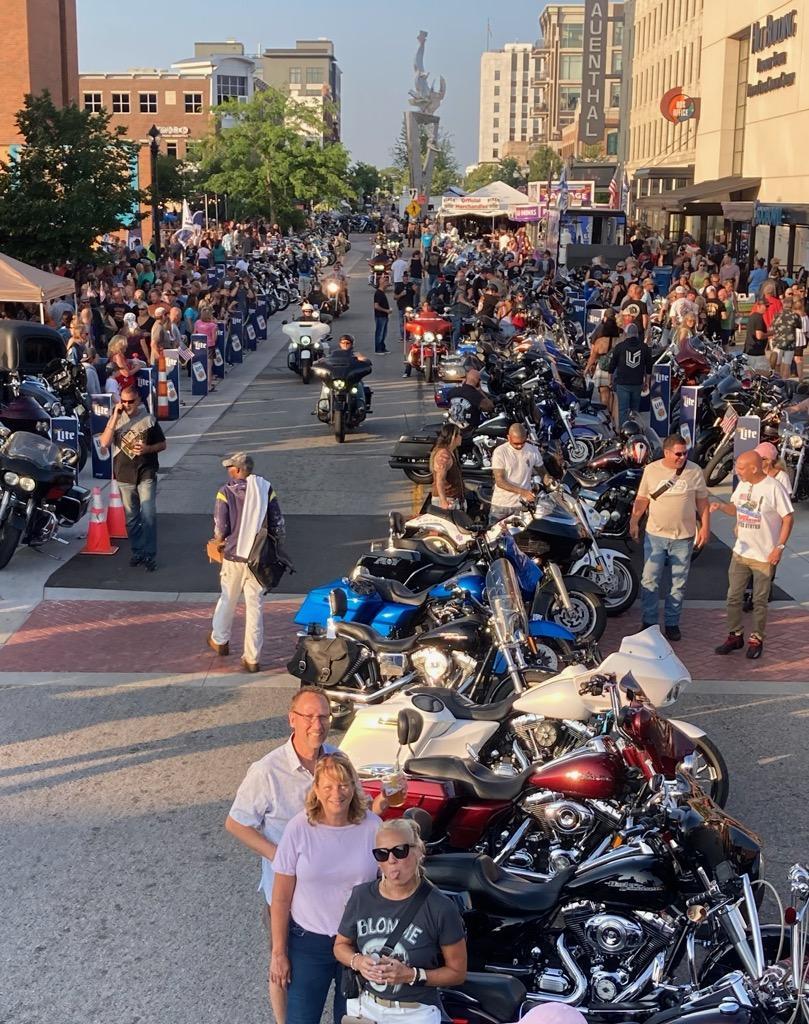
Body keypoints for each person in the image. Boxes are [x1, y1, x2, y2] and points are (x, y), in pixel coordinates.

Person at [226, 687, 336, 1024]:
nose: (316, 724)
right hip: (286, 894)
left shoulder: (336, 760)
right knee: (282, 964)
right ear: (292, 720)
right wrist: (281, 856)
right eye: (308, 716)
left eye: (323, 716)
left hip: (330, 891)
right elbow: (236, 823)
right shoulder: (267, 771)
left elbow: (356, 810)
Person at [270, 752, 381, 1024]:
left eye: (344, 785)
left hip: (357, 944)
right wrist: (279, 953)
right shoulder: (299, 828)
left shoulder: (373, 827)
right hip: (308, 942)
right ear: (316, 790)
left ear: (354, 788)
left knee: (352, 1020)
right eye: (328, 786)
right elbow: (281, 898)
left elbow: (388, 885)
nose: (337, 793)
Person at [335, 816, 467, 1024]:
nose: (391, 860)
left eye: (400, 851)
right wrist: (359, 962)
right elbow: (340, 945)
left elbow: (457, 972)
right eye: (382, 853)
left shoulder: (440, 907)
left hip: (413, 1013)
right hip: (365, 1008)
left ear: (418, 852)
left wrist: (411, 975)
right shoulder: (361, 896)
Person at [712, 450, 793, 660]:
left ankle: (756, 639)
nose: (736, 471)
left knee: (759, 601)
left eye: (740, 468)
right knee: (733, 597)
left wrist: (779, 547)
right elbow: (737, 509)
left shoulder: (774, 488)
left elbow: (788, 518)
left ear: (754, 468)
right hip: (741, 552)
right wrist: (721, 506)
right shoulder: (743, 484)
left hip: (764, 556)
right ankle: (735, 635)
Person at [208, 451, 285, 673]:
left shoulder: (225, 492)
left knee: (228, 599)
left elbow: (221, 527)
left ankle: (220, 640)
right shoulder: (265, 489)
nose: (228, 471)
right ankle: (252, 658)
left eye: (230, 468)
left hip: (234, 557)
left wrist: (218, 541)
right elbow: (277, 523)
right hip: (259, 558)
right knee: (255, 607)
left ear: (239, 470)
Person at [629, 434, 710, 641]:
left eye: (685, 453)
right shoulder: (652, 470)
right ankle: (649, 623)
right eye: (678, 454)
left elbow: (702, 502)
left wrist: (705, 528)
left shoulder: (694, 471)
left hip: (683, 538)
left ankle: (672, 624)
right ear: (666, 452)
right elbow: (642, 498)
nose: (682, 457)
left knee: (678, 583)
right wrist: (634, 521)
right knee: (650, 580)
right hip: (656, 535)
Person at [98, 385, 166, 572]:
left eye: (130, 402)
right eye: (124, 401)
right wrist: (115, 416)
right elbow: (104, 443)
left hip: (146, 472)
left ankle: (150, 554)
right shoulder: (117, 419)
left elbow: (162, 444)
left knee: (148, 513)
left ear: (138, 401)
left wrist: (148, 449)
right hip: (124, 475)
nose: (127, 405)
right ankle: (137, 551)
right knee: (132, 518)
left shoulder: (148, 420)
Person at [489, 423, 543, 524]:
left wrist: (550, 481)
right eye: (516, 443)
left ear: (526, 437)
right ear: (508, 438)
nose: (520, 446)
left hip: (522, 506)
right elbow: (500, 481)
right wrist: (523, 492)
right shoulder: (500, 452)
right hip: (502, 506)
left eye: (522, 442)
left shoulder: (533, 451)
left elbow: (543, 471)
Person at [607, 321, 653, 424]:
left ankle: (624, 431)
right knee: (635, 410)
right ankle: (634, 430)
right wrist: (647, 382)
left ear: (626, 333)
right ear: (637, 334)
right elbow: (649, 367)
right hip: (637, 383)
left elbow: (612, 366)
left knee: (623, 410)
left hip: (622, 383)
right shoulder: (644, 347)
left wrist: (610, 381)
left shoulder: (620, 347)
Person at [584, 310, 621, 413]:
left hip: (603, 369)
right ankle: (614, 419)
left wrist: (587, 369)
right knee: (613, 396)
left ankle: (607, 415)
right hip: (616, 370)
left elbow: (593, 356)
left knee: (604, 393)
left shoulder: (600, 341)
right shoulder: (620, 340)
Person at [445, 368, 493, 433]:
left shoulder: (453, 391)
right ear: (478, 382)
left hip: (453, 430)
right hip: (469, 433)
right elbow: (490, 407)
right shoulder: (476, 395)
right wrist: (480, 391)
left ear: (466, 379)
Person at [429, 424, 465, 511]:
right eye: (459, 434)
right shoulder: (444, 455)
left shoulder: (451, 451)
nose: (461, 437)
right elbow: (439, 480)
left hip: (454, 498)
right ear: (453, 437)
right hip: (448, 500)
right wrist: (443, 501)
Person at [770, 296, 801, 379]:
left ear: (783, 305)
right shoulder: (795, 316)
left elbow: (771, 327)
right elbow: (799, 326)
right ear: (792, 305)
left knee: (777, 364)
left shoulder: (777, 315)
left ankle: (777, 381)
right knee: (787, 365)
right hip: (790, 344)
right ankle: (784, 382)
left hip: (777, 343)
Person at [743, 301, 770, 372]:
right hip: (757, 353)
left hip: (749, 350)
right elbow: (759, 336)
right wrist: (771, 333)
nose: (767, 308)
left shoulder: (752, 316)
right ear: (758, 306)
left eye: (768, 306)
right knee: (765, 374)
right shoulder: (759, 318)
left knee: (749, 374)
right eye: (765, 306)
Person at [373, 275, 391, 354]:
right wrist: (386, 310)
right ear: (381, 283)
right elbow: (376, 306)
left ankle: (383, 347)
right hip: (380, 316)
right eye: (385, 281)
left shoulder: (382, 293)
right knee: (379, 333)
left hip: (384, 316)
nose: (387, 283)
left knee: (384, 333)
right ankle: (378, 349)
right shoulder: (378, 293)